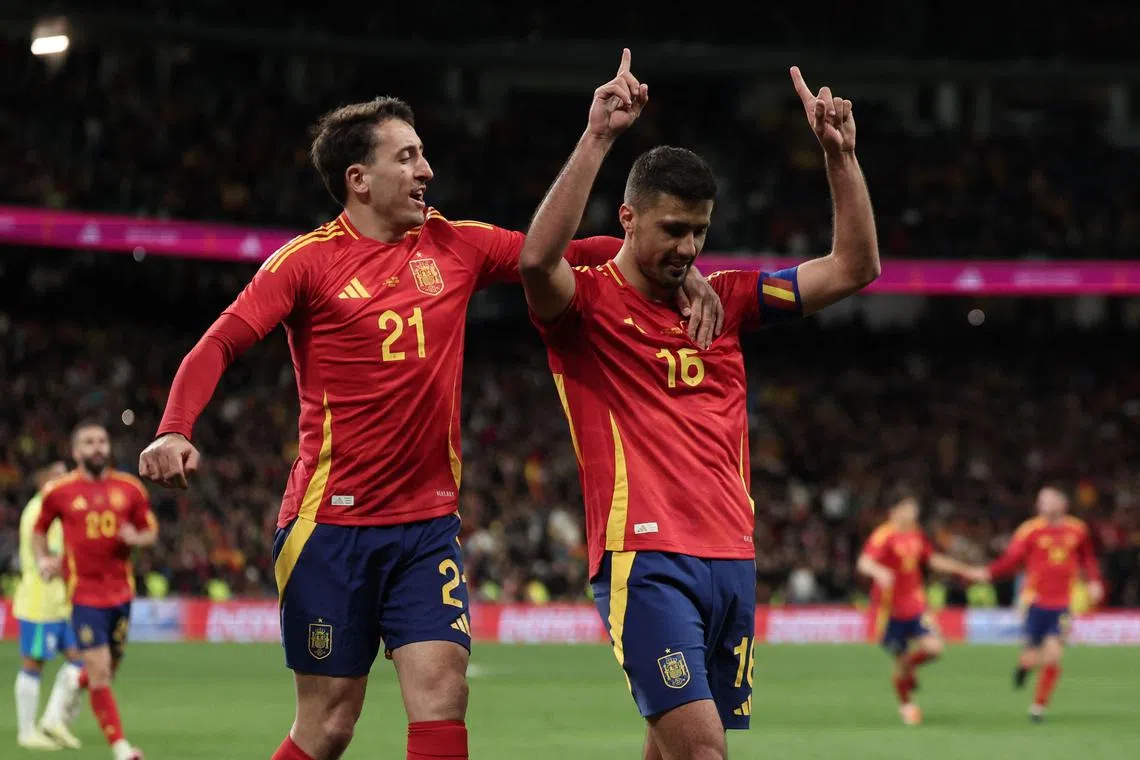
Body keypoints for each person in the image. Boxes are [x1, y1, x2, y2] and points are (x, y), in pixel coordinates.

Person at [137, 95, 723, 760]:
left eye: (423, 154)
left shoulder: (454, 244)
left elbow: (561, 251)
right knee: (328, 726)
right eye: (407, 156)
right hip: (331, 528)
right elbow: (219, 343)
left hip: (426, 531)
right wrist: (174, 428)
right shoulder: (306, 262)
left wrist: (681, 264)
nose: (427, 170)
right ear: (359, 179)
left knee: (444, 695)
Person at [518, 49, 879, 760]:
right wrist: (598, 137)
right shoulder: (583, 308)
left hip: (731, 559)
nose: (689, 248)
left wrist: (840, 157)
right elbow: (535, 261)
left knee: (671, 751)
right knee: (703, 752)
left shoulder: (734, 299)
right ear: (627, 218)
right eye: (673, 230)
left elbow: (854, 267)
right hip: (644, 558)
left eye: (700, 232)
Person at [34, 422, 157, 760]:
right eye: (89, 443)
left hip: (121, 594)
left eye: (102, 441)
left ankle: (73, 685)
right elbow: (39, 529)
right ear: (76, 452)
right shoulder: (59, 491)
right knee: (101, 673)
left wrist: (137, 538)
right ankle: (122, 750)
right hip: (84, 595)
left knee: (107, 670)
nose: (97, 447)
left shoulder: (130, 489)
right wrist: (44, 559)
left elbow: (150, 531)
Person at [968, 484, 1103, 722]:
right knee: (1031, 656)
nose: (1042, 505)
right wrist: (988, 573)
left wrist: (1094, 581)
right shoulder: (1029, 530)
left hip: (1062, 603)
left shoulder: (1078, 529)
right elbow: (1011, 560)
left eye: (1048, 500)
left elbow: (1087, 558)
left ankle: (1038, 708)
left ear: (1062, 504)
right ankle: (1023, 667)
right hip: (1033, 602)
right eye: (1041, 501)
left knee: (1054, 655)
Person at [856, 487, 975, 725]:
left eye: (915, 507)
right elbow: (864, 562)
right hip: (889, 610)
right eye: (909, 507)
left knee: (934, 648)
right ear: (894, 511)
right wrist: (879, 571)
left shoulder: (916, 534)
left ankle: (908, 669)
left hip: (915, 605)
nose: (914, 512)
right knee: (900, 663)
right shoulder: (884, 535)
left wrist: (962, 569)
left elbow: (931, 559)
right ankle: (907, 706)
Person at [13, 460, 86, 750]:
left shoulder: (58, 511)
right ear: (42, 480)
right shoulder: (38, 513)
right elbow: (51, 564)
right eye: (56, 475)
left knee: (79, 661)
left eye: (65, 474)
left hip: (61, 604)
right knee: (34, 663)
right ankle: (27, 731)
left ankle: (53, 720)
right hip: (39, 603)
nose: (64, 479)